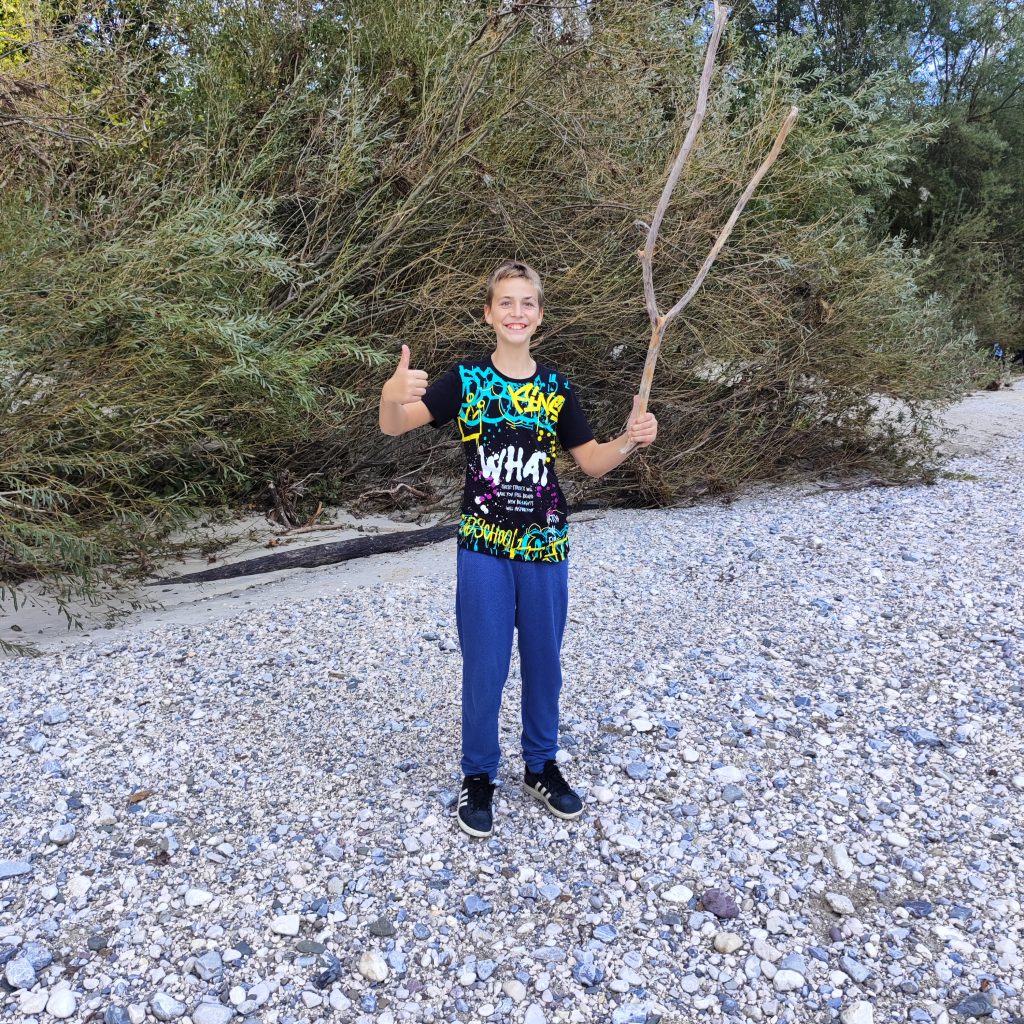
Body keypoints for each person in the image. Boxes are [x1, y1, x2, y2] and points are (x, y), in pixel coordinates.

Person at [378, 260, 658, 837]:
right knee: (485, 664)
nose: (516, 312)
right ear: (488, 313)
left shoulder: (557, 388)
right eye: (505, 302)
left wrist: (630, 440)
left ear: (540, 316)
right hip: (483, 546)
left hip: (546, 545)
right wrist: (389, 395)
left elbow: (592, 462)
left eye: (527, 302)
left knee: (543, 662)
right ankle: (478, 773)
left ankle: (540, 766)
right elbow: (394, 425)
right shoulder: (465, 380)